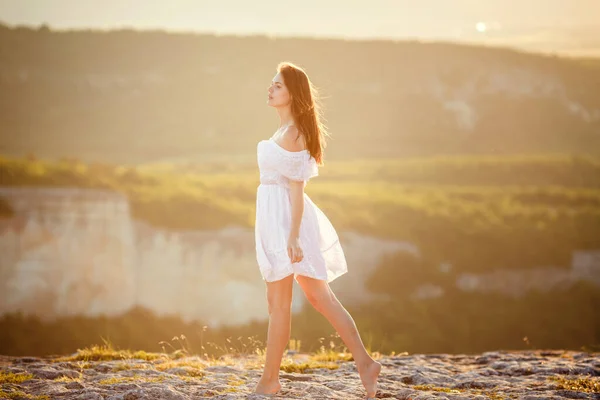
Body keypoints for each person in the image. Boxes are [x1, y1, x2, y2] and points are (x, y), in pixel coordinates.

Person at [253, 61, 382, 399]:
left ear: (293, 93)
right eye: (272, 84)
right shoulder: (281, 132)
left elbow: (297, 190)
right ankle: (365, 363)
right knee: (303, 298)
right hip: (274, 219)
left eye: (277, 85)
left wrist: (293, 236)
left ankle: (269, 382)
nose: (270, 89)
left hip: (287, 223)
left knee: (293, 301)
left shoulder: (294, 133)